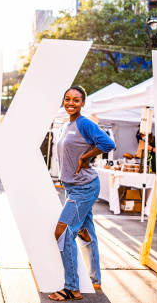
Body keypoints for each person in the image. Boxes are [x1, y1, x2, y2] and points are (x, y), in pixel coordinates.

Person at [49, 86, 115, 301]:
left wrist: (86, 157)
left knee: (63, 231)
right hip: (73, 186)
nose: (70, 103)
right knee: (86, 233)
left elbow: (108, 143)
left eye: (76, 100)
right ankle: (95, 280)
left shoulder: (84, 123)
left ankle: (72, 288)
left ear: (83, 103)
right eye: (67, 99)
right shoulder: (66, 125)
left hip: (84, 186)